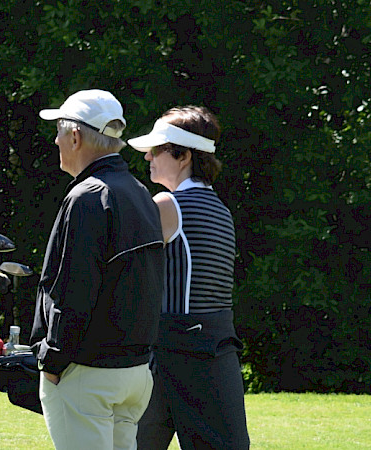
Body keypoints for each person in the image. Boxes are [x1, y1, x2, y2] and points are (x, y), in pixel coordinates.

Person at [30, 89, 166, 449]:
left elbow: (75, 290)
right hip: (134, 372)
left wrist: (53, 360)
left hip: (88, 372)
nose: (56, 140)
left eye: (59, 131)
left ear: (75, 136)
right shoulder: (139, 193)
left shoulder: (88, 197)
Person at [130, 106, 250, 449]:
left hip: (173, 354)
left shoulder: (166, 204)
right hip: (215, 353)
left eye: (157, 149)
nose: (149, 156)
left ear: (183, 156)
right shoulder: (221, 209)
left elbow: (124, 274)